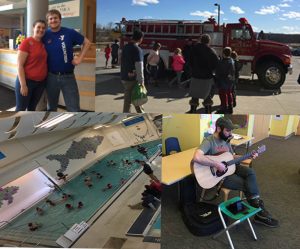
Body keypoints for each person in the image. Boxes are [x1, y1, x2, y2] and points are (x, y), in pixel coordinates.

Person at [192, 117, 279, 227]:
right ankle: (260, 212)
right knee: (246, 185)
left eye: (231, 131)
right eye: (227, 131)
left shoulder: (226, 140)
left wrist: (249, 156)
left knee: (250, 172)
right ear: (218, 128)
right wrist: (216, 164)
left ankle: (259, 210)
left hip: (231, 167)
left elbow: (231, 156)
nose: (230, 133)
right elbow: (196, 157)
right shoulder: (209, 141)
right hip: (220, 177)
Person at [43, 9, 91, 112]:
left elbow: (87, 42)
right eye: (50, 18)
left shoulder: (70, 32)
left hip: (68, 76)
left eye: (55, 18)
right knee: (51, 108)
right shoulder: (45, 35)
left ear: (60, 20)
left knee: (74, 108)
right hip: (51, 77)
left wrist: (80, 58)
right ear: (48, 21)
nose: (53, 20)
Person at [15, 20, 47, 111]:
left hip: (40, 83)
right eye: (39, 27)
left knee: (32, 108)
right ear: (34, 28)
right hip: (27, 82)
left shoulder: (43, 44)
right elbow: (19, 65)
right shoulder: (26, 42)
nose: (41, 30)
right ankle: (15, 125)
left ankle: (28, 125)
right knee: (20, 109)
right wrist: (23, 85)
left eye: (43, 28)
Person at [188, 34, 219, 113]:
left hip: (195, 76)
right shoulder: (211, 51)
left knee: (195, 95)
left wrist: (193, 70)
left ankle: (192, 111)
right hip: (207, 77)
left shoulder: (193, 49)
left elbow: (189, 61)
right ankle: (208, 112)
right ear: (209, 41)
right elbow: (216, 64)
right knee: (207, 95)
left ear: (201, 40)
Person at [120, 29, 145, 113]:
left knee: (128, 100)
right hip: (133, 79)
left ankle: (125, 115)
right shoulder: (137, 49)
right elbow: (139, 66)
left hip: (124, 77)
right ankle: (142, 116)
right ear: (140, 38)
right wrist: (141, 81)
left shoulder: (125, 47)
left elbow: (121, 61)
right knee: (137, 99)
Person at [215, 47, 235, 114]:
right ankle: (230, 107)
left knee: (223, 94)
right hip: (230, 81)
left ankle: (224, 108)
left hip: (222, 80)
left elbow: (218, 71)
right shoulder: (231, 60)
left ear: (223, 53)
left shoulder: (222, 62)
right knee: (229, 93)